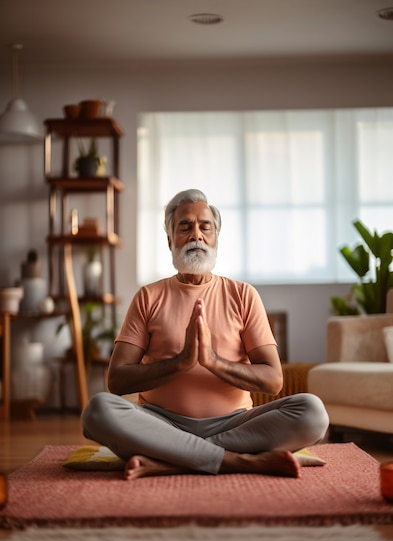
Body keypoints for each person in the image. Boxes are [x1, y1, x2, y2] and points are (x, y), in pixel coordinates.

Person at [81, 189, 329, 480]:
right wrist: (181, 362)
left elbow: (273, 381)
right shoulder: (148, 297)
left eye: (205, 226)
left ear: (215, 238)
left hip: (236, 425)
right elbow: (117, 381)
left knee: (312, 412)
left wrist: (212, 361)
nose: (195, 235)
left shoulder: (243, 294)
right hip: (161, 424)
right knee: (98, 410)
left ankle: (173, 460)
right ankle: (237, 462)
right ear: (170, 239)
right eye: (184, 227)